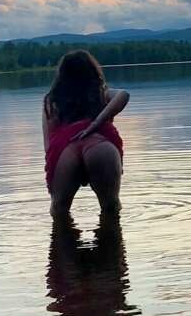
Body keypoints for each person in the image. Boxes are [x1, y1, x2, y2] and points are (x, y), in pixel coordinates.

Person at [43, 50, 129, 217]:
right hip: (101, 146)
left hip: (66, 152)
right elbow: (123, 95)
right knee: (111, 208)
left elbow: (48, 146)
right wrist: (96, 123)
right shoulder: (100, 94)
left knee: (59, 211)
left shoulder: (51, 101)